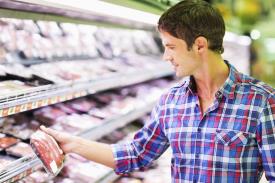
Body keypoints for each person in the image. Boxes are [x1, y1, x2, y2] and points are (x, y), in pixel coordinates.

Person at [41, 0, 275, 182]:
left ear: (200, 45)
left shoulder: (261, 101)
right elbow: (136, 155)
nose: (166, 56)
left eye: (171, 47)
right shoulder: (171, 101)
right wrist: (74, 144)